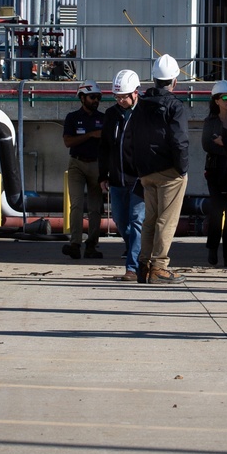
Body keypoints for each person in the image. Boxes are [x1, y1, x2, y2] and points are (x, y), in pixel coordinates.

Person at [136, 55, 191, 283]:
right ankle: (159, 267)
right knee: (166, 220)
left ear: (154, 79)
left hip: (146, 172)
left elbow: (133, 138)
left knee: (150, 219)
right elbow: (180, 141)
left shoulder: (141, 104)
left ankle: (143, 265)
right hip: (170, 172)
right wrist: (182, 169)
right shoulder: (174, 106)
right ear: (174, 81)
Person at [98, 70, 146, 282]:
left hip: (139, 179)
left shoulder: (145, 114)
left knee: (137, 221)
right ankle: (137, 251)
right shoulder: (112, 114)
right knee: (120, 221)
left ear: (135, 93)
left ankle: (133, 267)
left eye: (124, 97)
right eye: (117, 97)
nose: (120, 101)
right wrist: (103, 175)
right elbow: (105, 146)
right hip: (117, 179)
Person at [61, 81, 105, 260]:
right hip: (77, 164)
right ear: (82, 98)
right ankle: (75, 244)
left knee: (95, 208)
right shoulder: (72, 118)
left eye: (98, 98)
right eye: (92, 97)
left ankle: (92, 245)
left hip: (96, 165)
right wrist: (90, 135)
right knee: (77, 204)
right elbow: (68, 142)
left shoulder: (103, 118)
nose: (96, 101)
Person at [202, 80, 227, 268]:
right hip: (216, 172)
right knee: (217, 211)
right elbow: (207, 145)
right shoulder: (211, 121)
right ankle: (212, 249)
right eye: (224, 97)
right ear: (216, 101)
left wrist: (223, 142)